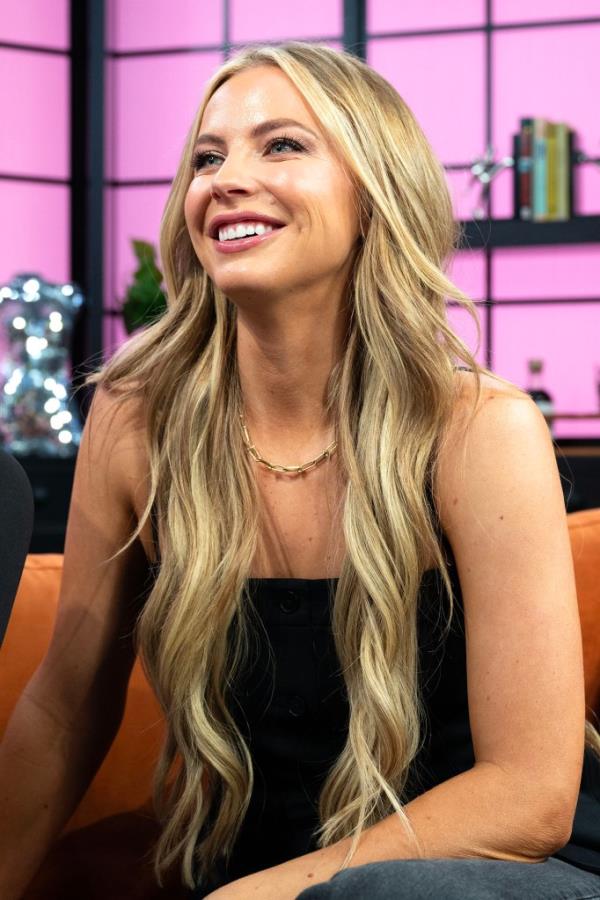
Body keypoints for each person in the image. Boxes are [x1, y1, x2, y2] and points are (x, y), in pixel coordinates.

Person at [1, 41, 599, 900]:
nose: (226, 179)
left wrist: (268, 896)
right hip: (267, 870)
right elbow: (63, 710)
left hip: (490, 872)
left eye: (281, 145)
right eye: (208, 157)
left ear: (372, 193)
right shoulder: (136, 419)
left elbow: (531, 796)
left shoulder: (480, 431)